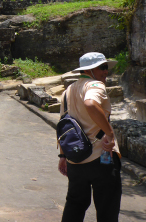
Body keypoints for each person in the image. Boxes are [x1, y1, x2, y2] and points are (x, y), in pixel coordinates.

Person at [58, 52, 121, 222]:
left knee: (74, 205)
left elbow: (64, 125)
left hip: (76, 160)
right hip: (101, 158)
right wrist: (109, 134)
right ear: (91, 70)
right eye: (103, 67)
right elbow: (90, 103)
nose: (106, 71)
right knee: (107, 208)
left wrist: (63, 155)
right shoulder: (95, 85)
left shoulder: (68, 90)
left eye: (106, 67)